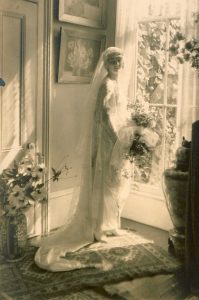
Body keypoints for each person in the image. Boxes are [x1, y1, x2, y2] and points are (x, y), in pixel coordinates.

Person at [34, 47, 135, 272]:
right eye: (113, 62)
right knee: (102, 180)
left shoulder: (118, 84)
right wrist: (116, 137)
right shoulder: (106, 85)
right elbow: (105, 116)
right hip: (106, 138)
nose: (117, 66)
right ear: (106, 65)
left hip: (116, 137)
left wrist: (129, 130)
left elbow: (120, 113)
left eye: (120, 62)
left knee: (113, 181)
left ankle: (110, 224)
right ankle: (97, 227)